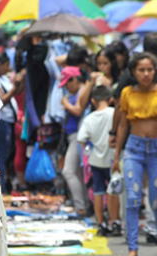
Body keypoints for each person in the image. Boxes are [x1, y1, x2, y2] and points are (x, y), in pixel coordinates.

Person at [113, 52, 157, 256]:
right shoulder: (127, 93)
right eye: (141, 70)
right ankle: (132, 248)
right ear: (133, 72)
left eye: (149, 70)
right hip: (134, 149)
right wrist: (116, 155)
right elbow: (122, 124)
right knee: (132, 198)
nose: (146, 74)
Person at [77, 85, 122, 236]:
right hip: (113, 158)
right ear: (110, 99)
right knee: (113, 191)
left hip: (96, 159)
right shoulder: (114, 114)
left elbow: (81, 139)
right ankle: (114, 221)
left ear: (93, 101)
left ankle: (101, 222)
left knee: (98, 191)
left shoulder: (89, 119)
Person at [0, 51, 23, 193]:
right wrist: (14, 88)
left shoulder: (3, 78)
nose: (8, 67)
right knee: (0, 154)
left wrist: (19, 83)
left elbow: (16, 92)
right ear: (0, 65)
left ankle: (4, 185)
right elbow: (2, 100)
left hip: (8, 121)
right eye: (6, 65)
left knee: (8, 153)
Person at [61, 66, 90, 215]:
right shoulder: (78, 92)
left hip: (78, 137)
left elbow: (78, 110)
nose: (66, 86)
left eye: (67, 83)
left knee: (69, 171)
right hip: (73, 136)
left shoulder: (82, 90)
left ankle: (81, 206)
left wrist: (66, 104)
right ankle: (83, 205)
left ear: (75, 80)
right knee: (78, 173)